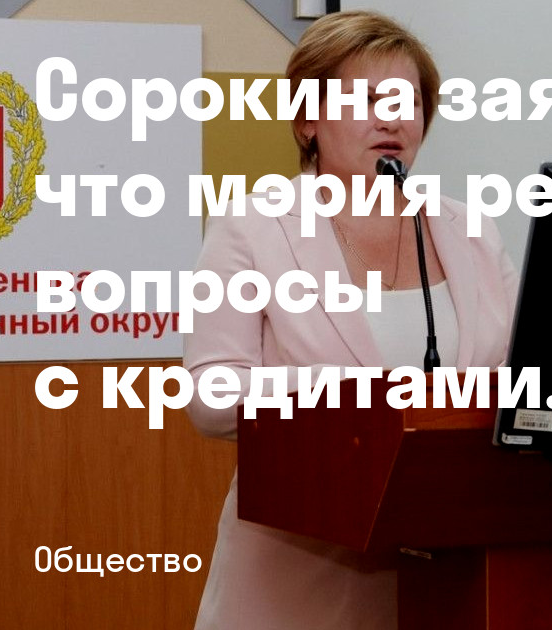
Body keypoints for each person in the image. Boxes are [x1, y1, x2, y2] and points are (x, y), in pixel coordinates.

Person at [183, 11, 518, 629]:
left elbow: (518, 372)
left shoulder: (470, 231)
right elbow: (211, 396)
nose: (391, 120)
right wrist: (367, 404)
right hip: (301, 579)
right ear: (307, 120)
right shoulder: (254, 228)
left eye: (407, 102)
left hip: (455, 578)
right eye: (366, 100)